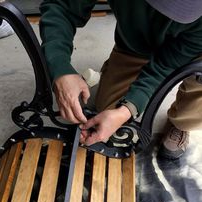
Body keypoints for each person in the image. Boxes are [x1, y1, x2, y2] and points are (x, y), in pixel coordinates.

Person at [39, 0, 202, 159]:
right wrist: (60, 68)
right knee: (105, 127)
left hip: (194, 53)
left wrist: (128, 110)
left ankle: (182, 123)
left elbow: (165, 66)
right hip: (136, 47)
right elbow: (61, 6)